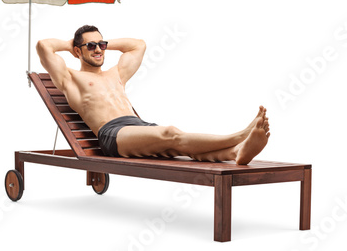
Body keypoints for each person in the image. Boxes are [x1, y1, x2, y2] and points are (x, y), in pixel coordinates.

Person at [36, 25, 270, 164]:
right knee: (171, 133)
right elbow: (43, 46)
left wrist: (100, 41)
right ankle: (239, 136)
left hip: (138, 127)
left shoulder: (115, 74)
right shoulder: (70, 79)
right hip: (112, 135)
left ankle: (236, 152)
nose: (98, 49)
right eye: (91, 46)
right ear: (77, 51)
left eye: (101, 45)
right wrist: (73, 44)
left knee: (177, 148)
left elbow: (138, 45)